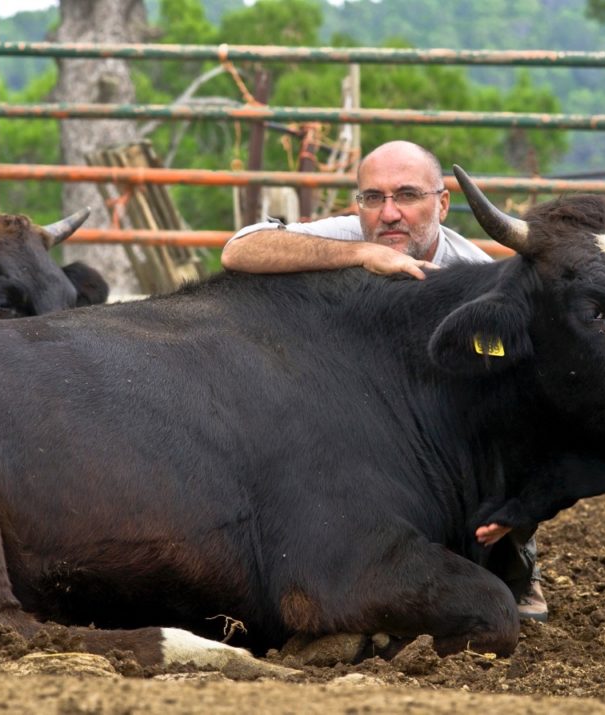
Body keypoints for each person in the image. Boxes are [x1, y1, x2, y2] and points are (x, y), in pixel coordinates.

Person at [221, 140, 548, 623]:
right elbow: (239, 249)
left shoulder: (476, 277)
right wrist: (362, 256)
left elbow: (521, 397)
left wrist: (520, 498)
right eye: (373, 198)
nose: (389, 213)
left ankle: (518, 566)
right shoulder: (352, 234)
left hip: (429, 428)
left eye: (408, 196)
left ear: (441, 203)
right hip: (342, 412)